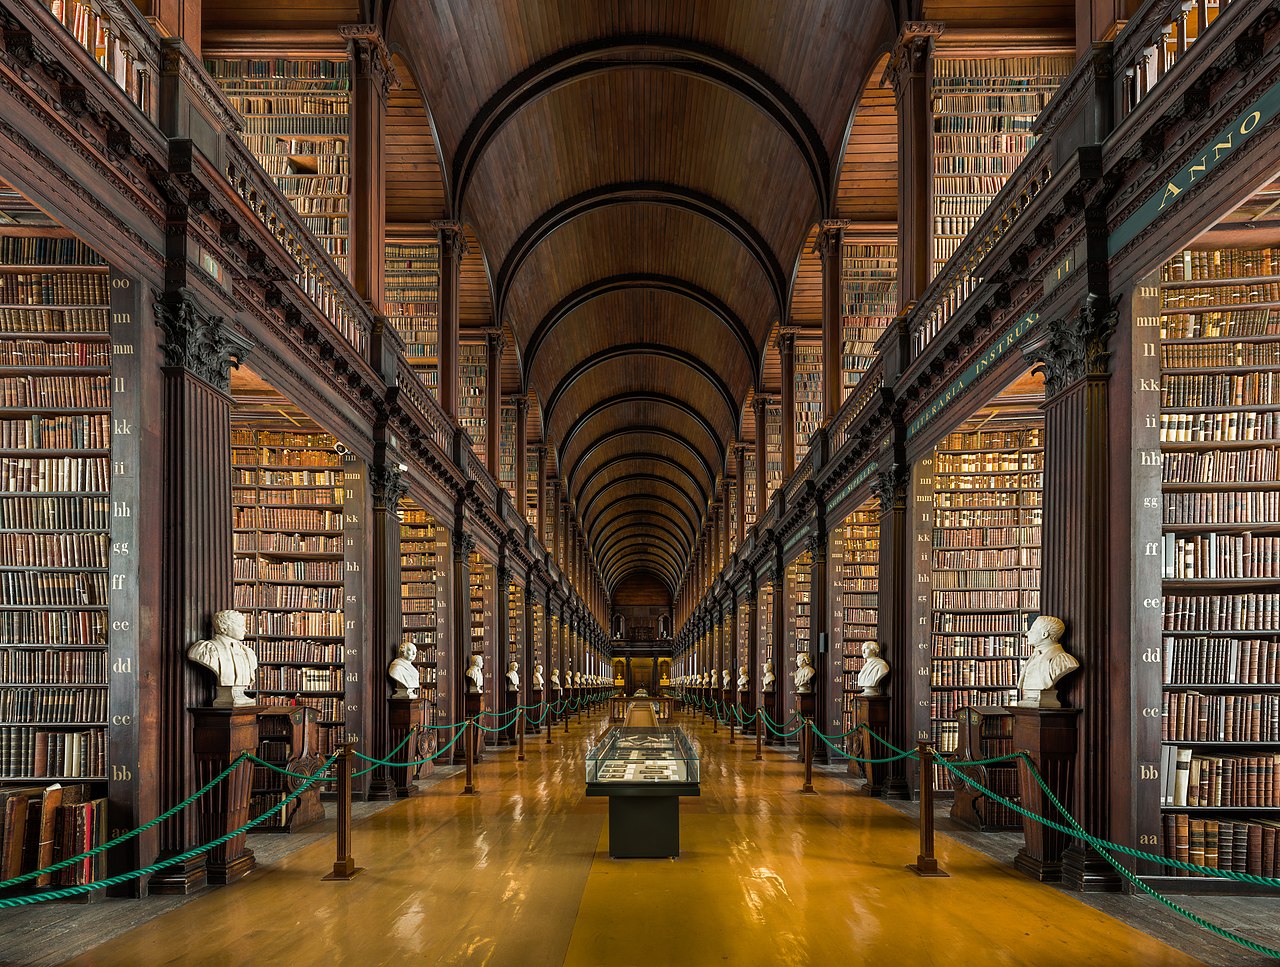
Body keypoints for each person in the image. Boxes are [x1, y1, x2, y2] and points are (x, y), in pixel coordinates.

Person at [188, 610, 258, 708]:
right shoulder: (205, 649)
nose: (245, 630)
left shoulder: (248, 652)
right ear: (224, 628)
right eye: (240, 626)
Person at [1017, 615, 1079, 707]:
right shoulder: (1033, 657)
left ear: (1044, 634)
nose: (1027, 634)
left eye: (1032, 630)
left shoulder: (1065, 661)